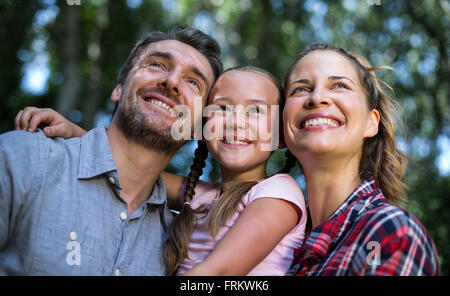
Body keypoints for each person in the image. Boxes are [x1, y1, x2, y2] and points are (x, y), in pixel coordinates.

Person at [15, 66, 307, 276]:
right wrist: (75, 133)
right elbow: (130, 170)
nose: (235, 122)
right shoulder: (201, 195)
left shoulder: (278, 192)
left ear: (280, 136)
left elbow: (220, 271)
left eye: (256, 112)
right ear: (202, 128)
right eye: (222, 109)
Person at [0, 27, 222, 275]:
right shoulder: (23, 158)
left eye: (193, 82)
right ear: (119, 88)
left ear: (198, 128)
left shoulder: (179, 248)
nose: (171, 82)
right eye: (158, 65)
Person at [281, 43, 440, 275]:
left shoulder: (390, 233)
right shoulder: (280, 249)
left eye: (340, 86)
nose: (316, 98)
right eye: (300, 89)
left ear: (370, 122)